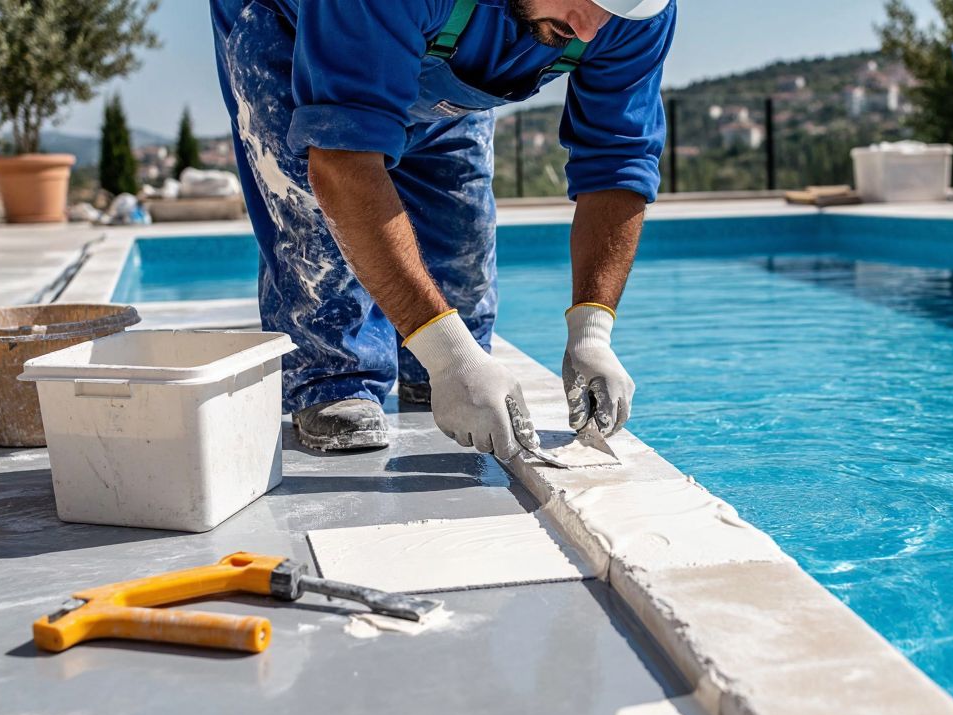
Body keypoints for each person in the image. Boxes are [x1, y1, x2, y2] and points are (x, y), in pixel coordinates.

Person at [210, 0, 674, 459]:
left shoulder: (637, 16)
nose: (590, 30)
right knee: (317, 239)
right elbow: (342, 160)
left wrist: (591, 330)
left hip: (446, 59)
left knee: (461, 264)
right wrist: (448, 355)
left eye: (614, 12)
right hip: (296, 35)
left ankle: (430, 372)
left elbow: (619, 162)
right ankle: (334, 376)